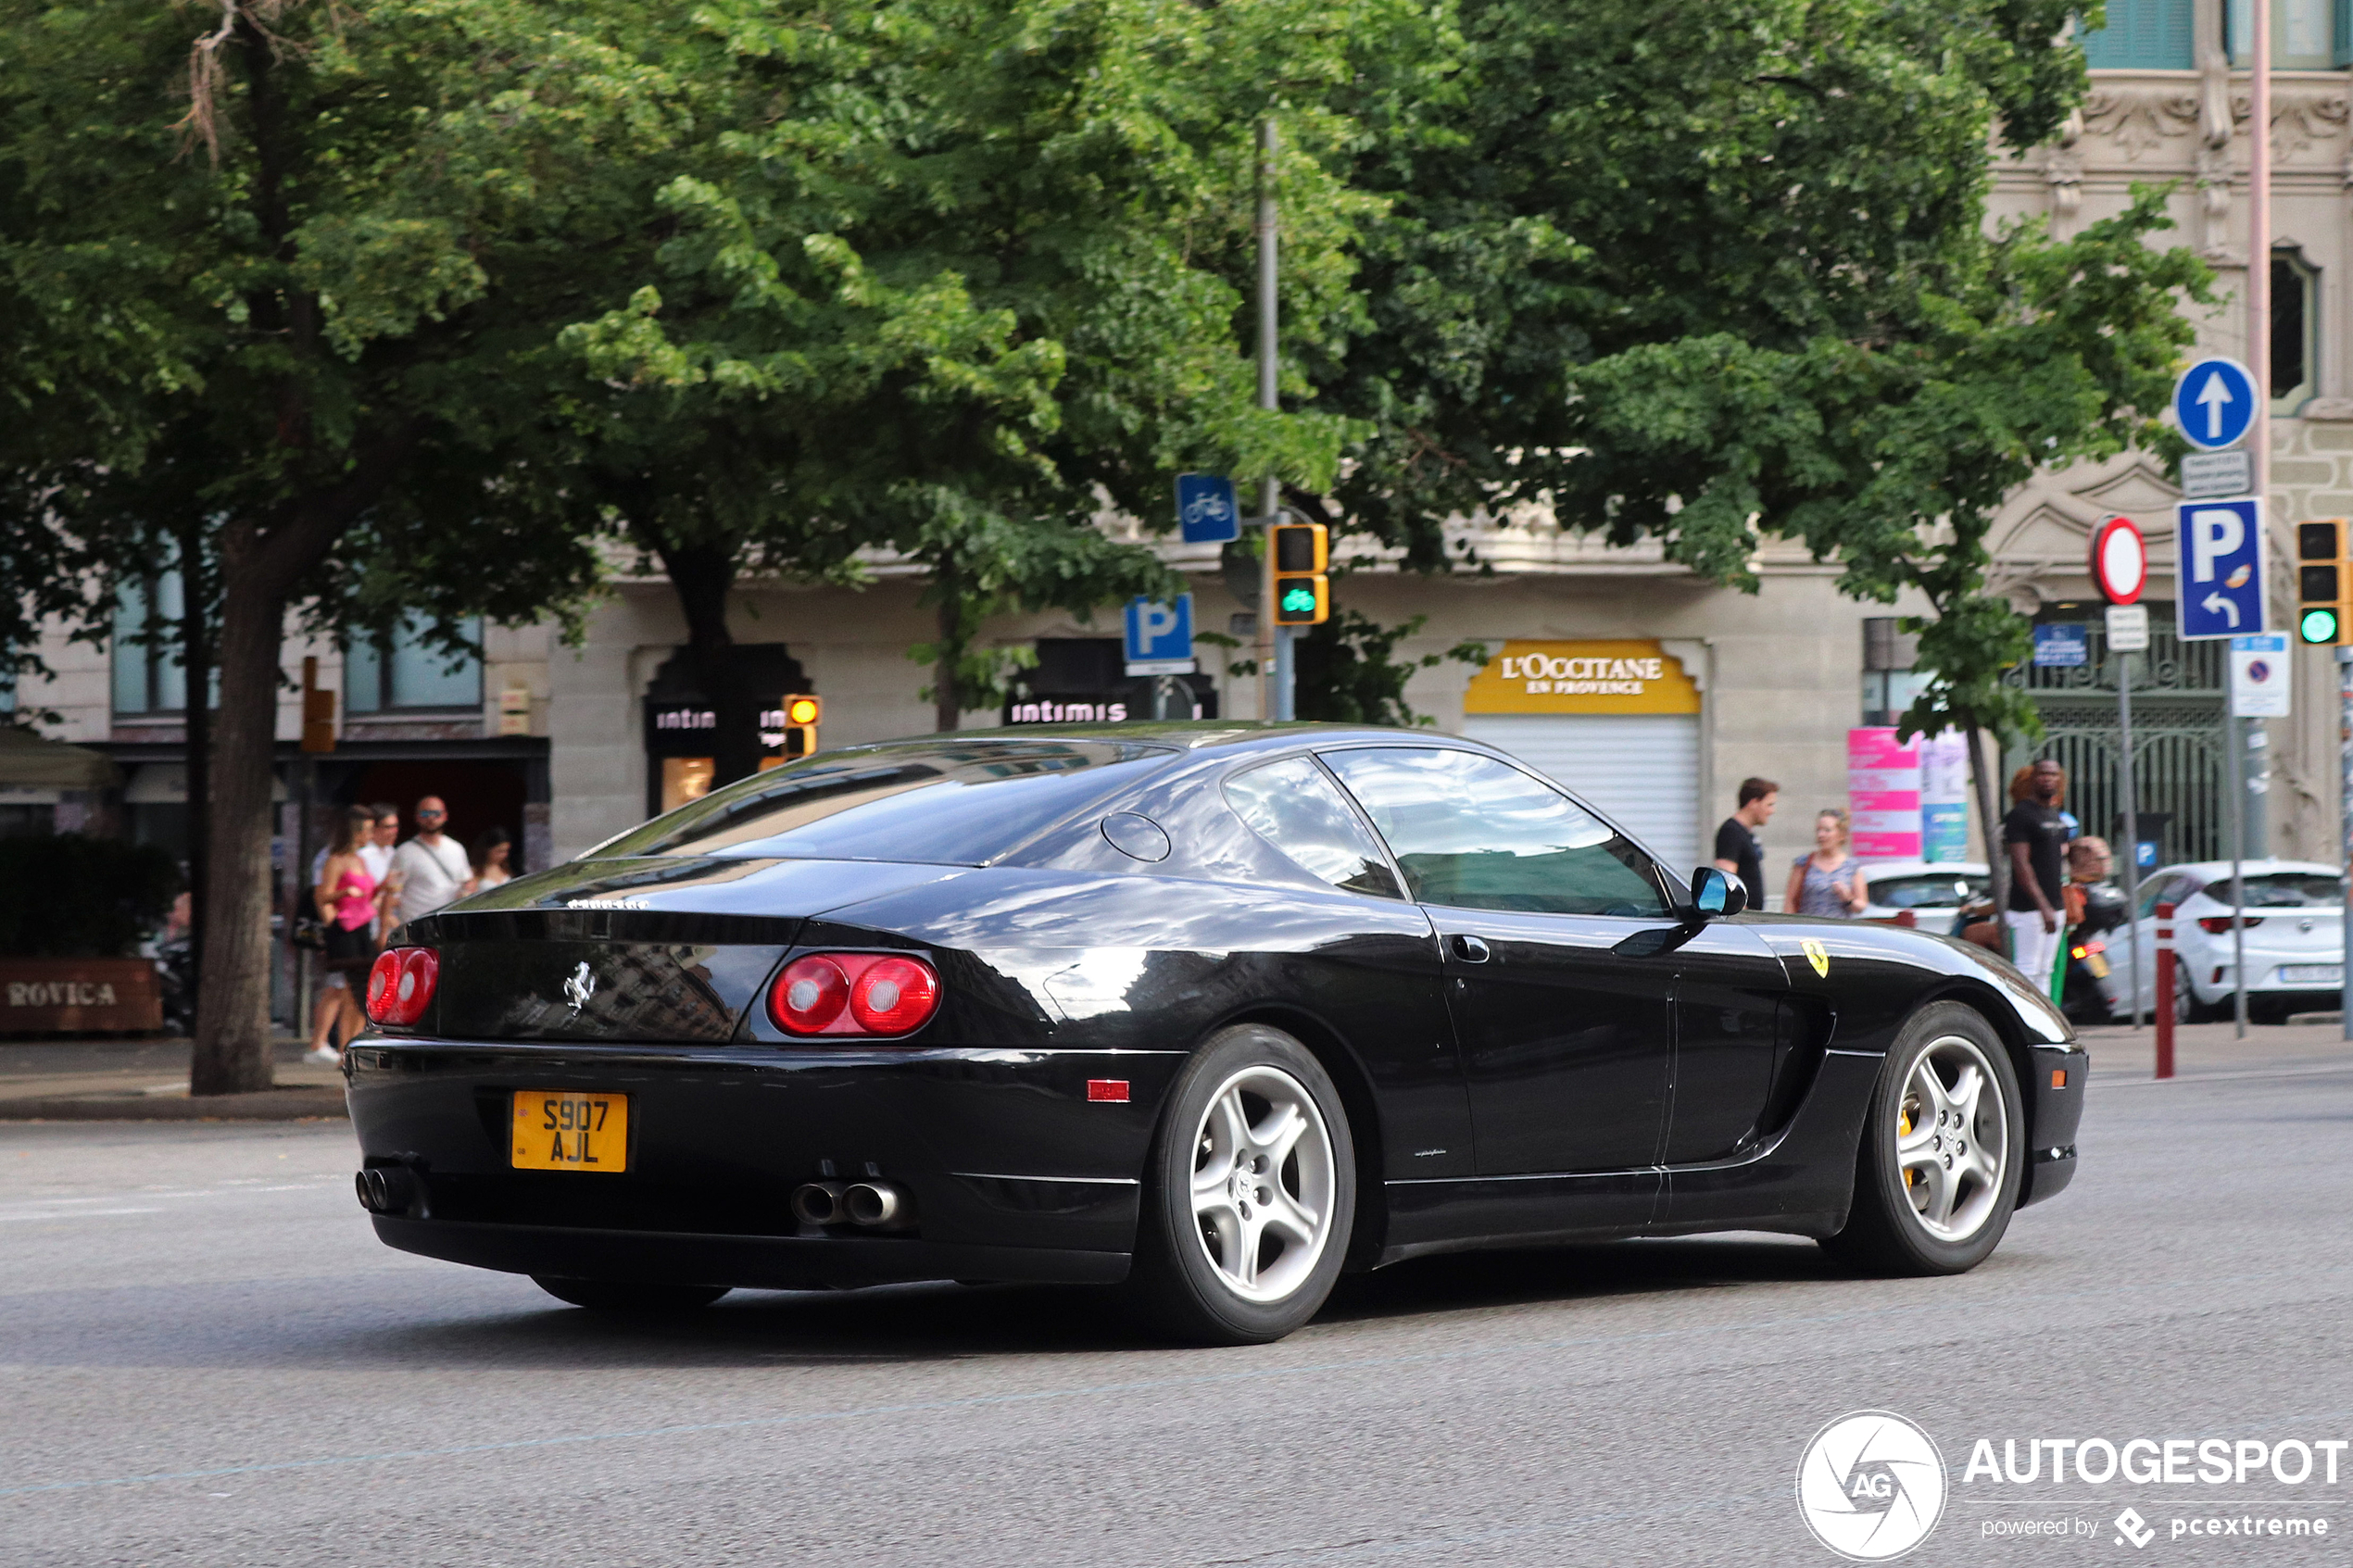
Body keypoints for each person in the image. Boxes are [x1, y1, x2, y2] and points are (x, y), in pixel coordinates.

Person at [308, 805, 385, 1063]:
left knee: (362, 991)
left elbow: (367, 895)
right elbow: (323, 895)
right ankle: (344, 1048)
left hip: (363, 927)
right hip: (346, 930)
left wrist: (384, 888)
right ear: (355, 832)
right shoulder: (336, 860)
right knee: (350, 989)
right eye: (367, 830)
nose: (371, 835)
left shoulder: (361, 860)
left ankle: (352, 1045)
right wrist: (343, 894)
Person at [2003, 758, 2071, 996]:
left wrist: (2056, 906)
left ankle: (2040, 1030)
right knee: (2026, 970)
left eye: (2053, 775)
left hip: (2055, 905)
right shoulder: (2021, 815)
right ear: (2033, 778)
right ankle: (2022, 1026)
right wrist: (2043, 907)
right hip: (2029, 909)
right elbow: (2021, 865)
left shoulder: (2053, 814)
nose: (2048, 779)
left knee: (2045, 971)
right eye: (2043, 774)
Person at [391, 795, 472, 928]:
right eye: (425, 813)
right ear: (417, 817)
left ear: (445, 816)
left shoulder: (456, 849)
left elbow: (467, 882)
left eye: (436, 813)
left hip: (449, 924)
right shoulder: (405, 851)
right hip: (417, 926)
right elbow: (392, 892)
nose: (431, 818)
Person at [1785, 807, 1869, 917]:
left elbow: (1861, 906)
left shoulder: (1851, 866)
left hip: (1839, 931)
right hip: (1807, 929)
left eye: (1827, 830)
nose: (1821, 835)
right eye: (1818, 830)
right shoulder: (1804, 863)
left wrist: (1848, 898)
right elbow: (1789, 901)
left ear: (1841, 835)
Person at [1713, 776, 1778, 909]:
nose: (1772, 811)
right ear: (1753, 803)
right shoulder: (1731, 832)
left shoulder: (1747, 833)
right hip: (1743, 919)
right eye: (1769, 805)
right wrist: (1741, 912)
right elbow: (1726, 879)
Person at [469, 825, 515, 892]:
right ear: (488, 850)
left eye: (506, 851)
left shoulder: (506, 868)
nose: (504, 855)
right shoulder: (474, 871)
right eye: (499, 851)